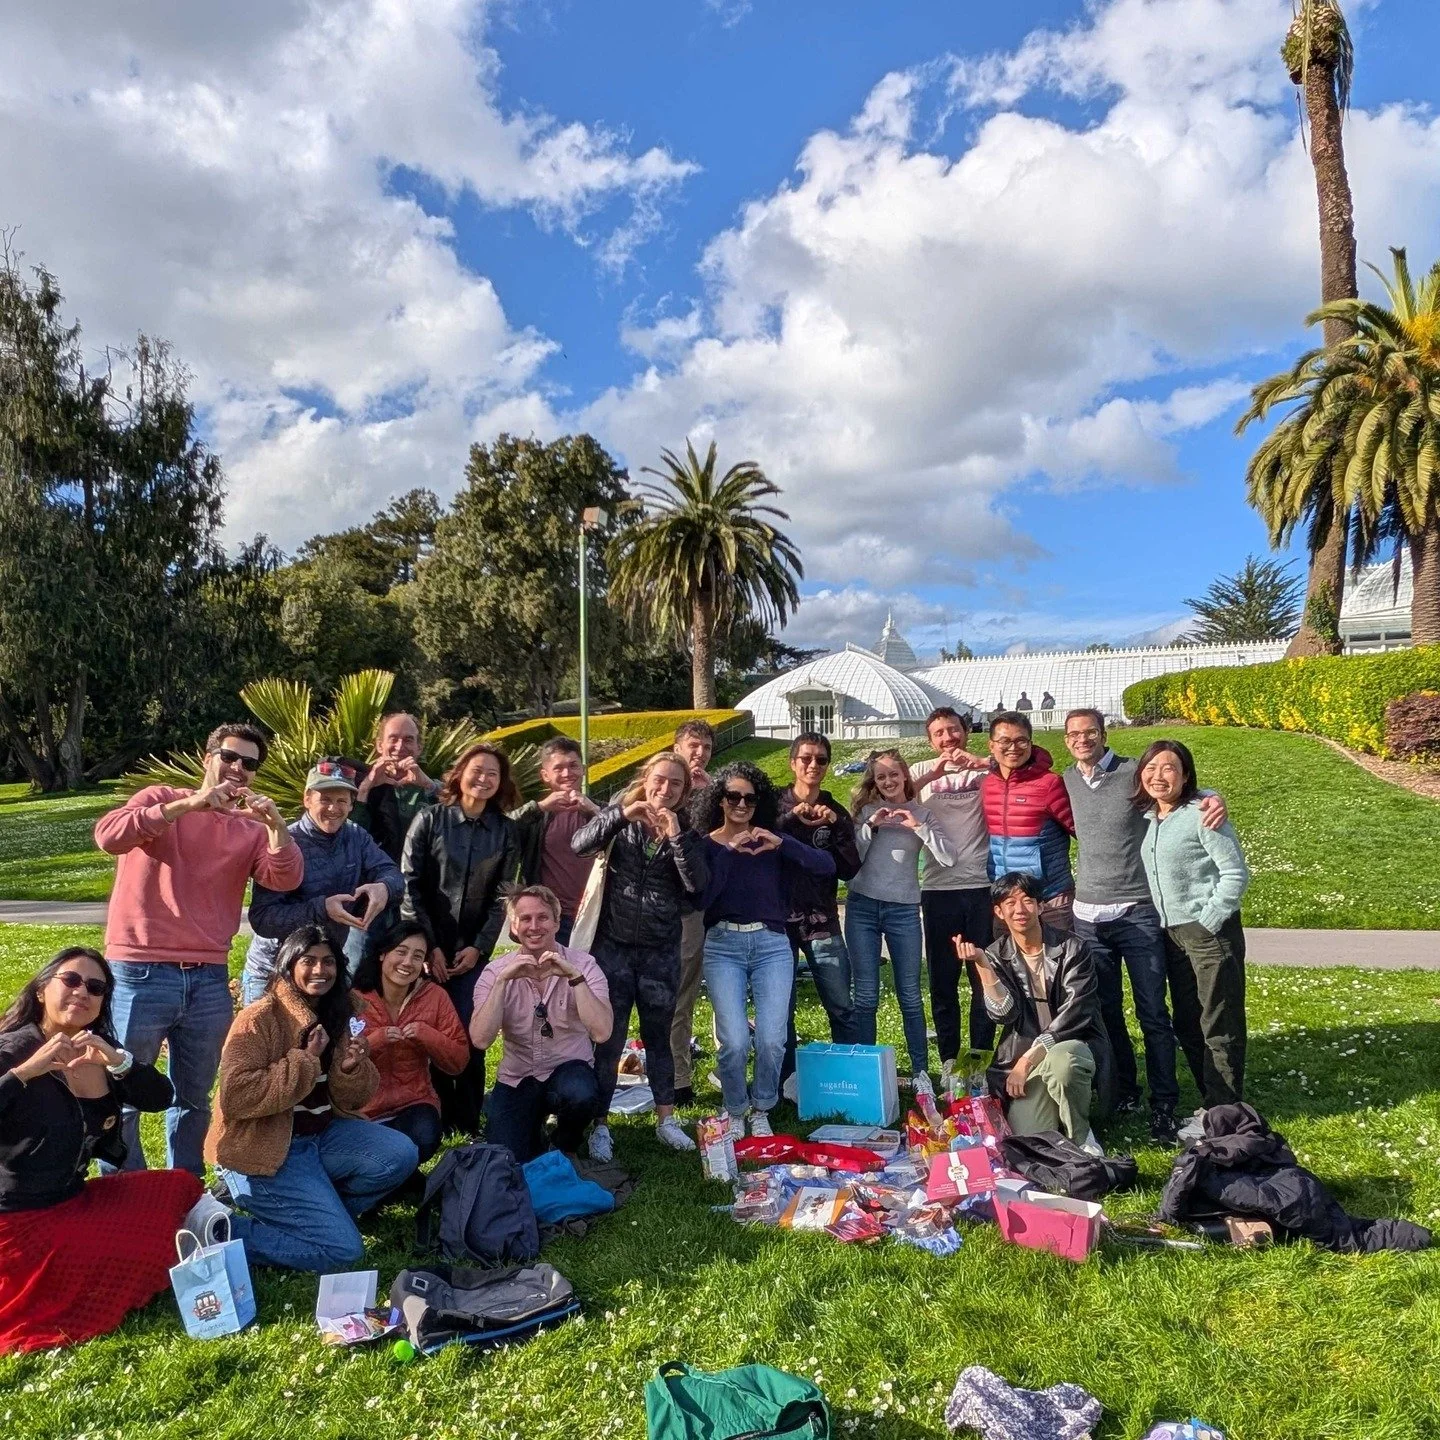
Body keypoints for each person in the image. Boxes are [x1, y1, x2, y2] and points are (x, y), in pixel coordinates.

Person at [93, 721, 304, 1177]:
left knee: (194, 1099)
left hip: (208, 978)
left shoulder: (248, 828)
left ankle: (183, 1189)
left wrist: (277, 828)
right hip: (139, 969)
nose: (238, 769)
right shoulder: (158, 799)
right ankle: (123, 1190)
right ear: (208, 758)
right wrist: (189, 805)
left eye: (249, 763)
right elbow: (109, 836)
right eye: (229, 757)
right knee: (123, 1090)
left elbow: (285, 878)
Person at [0, 948, 203, 1354]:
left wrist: (120, 1062)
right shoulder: (13, 1049)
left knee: (178, 1185)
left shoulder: (97, 1047)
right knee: (121, 1263)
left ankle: (206, 1242)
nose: (82, 993)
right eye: (70, 981)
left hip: (77, 1198)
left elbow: (161, 1098)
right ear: (42, 990)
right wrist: (25, 1073)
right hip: (17, 1219)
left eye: (96, 988)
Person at [207, 926, 419, 1272]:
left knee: (400, 1154)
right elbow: (237, 1097)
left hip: (319, 1138)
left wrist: (351, 1068)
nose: (320, 970)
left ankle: (320, 1219)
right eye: (309, 961)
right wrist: (305, 1060)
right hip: (265, 1152)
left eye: (329, 962)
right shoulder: (258, 1019)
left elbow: (352, 1101)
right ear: (288, 964)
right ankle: (223, 1231)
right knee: (343, 1252)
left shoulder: (340, 1014)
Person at [1063, 710, 1229, 1143]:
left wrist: (1213, 796)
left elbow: (1175, 787)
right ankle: (1123, 1091)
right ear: (1066, 740)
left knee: (1154, 1012)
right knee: (1106, 1011)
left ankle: (1164, 1103)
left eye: (1091, 732)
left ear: (1103, 735)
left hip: (1137, 912)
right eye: (1074, 734)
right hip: (1087, 914)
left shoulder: (1133, 771)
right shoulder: (1066, 778)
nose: (1083, 740)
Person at [572, 751, 709, 1158]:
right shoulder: (622, 814)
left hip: (660, 950)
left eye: (675, 784)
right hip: (612, 947)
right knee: (608, 1039)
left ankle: (666, 1119)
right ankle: (600, 1124)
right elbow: (580, 844)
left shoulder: (687, 830)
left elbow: (697, 887)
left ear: (684, 793)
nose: (664, 790)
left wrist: (677, 837)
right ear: (646, 778)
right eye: (659, 780)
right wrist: (622, 815)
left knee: (659, 1037)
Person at [697, 763, 836, 1136]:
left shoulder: (773, 839)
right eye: (733, 797)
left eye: (750, 798)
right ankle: (735, 1107)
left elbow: (826, 866)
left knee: (774, 1038)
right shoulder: (708, 845)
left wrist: (784, 842)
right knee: (735, 1041)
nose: (742, 804)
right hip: (723, 945)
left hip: (772, 944)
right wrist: (729, 852)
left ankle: (761, 1107)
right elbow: (702, 901)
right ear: (720, 801)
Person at [402, 741, 521, 1135]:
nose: (483, 779)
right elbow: (410, 886)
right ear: (460, 773)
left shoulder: (505, 831)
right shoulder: (430, 819)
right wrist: (427, 946)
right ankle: (437, 1113)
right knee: (431, 1034)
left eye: (493, 773)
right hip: (426, 948)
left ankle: (469, 1119)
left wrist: (480, 947)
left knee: (471, 1035)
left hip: (471, 952)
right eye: (477, 769)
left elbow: (504, 895)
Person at [1135, 740, 1251, 1119]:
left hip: (1208, 932)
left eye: (1169, 768)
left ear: (1185, 775)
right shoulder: (1155, 819)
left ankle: (1224, 1110)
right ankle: (1210, 1099)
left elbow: (1234, 872)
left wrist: (1212, 917)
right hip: (1173, 934)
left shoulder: (1202, 814)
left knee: (1219, 1019)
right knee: (1188, 1020)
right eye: (1150, 768)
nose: (1158, 776)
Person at [956, 873, 1110, 1147]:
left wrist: (1028, 1059)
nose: (1019, 910)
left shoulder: (1073, 947)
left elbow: (1077, 1012)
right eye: (1010, 903)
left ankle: (1082, 1138)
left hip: (1071, 1043)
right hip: (1024, 1055)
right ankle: (1057, 1112)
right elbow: (1004, 1014)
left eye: (1027, 901)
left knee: (1062, 1065)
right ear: (999, 912)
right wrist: (981, 964)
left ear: (1040, 906)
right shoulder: (995, 954)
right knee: (1028, 1137)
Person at [242, 758, 404, 1003]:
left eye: (341, 801)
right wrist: (322, 909)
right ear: (307, 799)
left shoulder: (356, 836)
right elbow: (263, 918)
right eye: (325, 799)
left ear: (351, 804)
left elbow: (392, 874)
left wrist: (384, 888)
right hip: (273, 971)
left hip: (324, 972)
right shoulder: (284, 841)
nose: (333, 808)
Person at [471, 885, 613, 1163]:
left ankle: (566, 1144)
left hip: (568, 1071)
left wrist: (576, 979)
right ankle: (526, 1124)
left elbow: (602, 1031)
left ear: (557, 922)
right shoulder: (495, 972)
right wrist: (502, 983)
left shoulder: (584, 965)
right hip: (518, 1076)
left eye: (543, 918)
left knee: (580, 1093)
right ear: (513, 926)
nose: (534, 926)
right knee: (507, 1159)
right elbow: (480, 1039)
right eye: (525, 919)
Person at [845, 749, 953, 1096]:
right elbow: (849, 859)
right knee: (865, 996)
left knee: (909, 995)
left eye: (894, 775)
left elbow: (948, 857)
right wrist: (870, 827)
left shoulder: (922, 813)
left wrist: (918, 826)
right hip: (862, 906)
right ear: (874, 782)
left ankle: (921, 1071)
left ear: (905, 776)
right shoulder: (865, 812)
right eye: (881, 777)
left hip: (904, 910)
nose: (889, 782)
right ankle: (864, 1069)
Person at [908, 708, 996, 1085]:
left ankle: (977, 1062)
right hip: (938, 889)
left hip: (981, 887)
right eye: (939, 734)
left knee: (983, 977)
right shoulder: (918, 773)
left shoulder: (984, 770)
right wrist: (933, 773)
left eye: (953, 731)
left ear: (966, 732)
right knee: (943, 981)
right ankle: (948, 1062)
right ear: (930, 740)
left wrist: (980, 762)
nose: (948, 739)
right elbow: (886, 793)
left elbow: (1028, 764)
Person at [352, 917, 469, 1168]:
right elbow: (338, 1061)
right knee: (368, 1155)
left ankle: (395, 1173)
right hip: (362, 1109)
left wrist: (427, 1035)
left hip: (414, 1102)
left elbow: (458, 1061)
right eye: (401, 952)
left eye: (417, 956)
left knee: (424, 1136)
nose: (407, 963)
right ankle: (397, 1178)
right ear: (383, 954)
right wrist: (376, 1041)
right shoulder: (355, 998)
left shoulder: (434, 996)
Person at [776, 732, 860, 1080]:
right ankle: (785, 1080)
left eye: (821, 760)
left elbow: (850, 868)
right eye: (806, 758)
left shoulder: (835, 811)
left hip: (821, 918)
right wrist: (791, 819)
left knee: (840, 1003)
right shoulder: (774, 805)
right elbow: (760, 844)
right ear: (793, 762)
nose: (813, 765)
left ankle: (848, 1076)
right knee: (782, 1009)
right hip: (777, 919)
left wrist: (836, 826)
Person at [981, 711, 1076, 932]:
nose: (1013, 747)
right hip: (1007, 899)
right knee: (1009, 965)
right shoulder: (987, 785)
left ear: (1031, 743)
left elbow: (1081, 830)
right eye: (1005, 741)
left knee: (1060, 963)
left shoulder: (1049, 784)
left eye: (1021, 740)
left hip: (1049, 898)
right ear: (991, 745)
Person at [511, 736, 599, 944]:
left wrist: (595, 811)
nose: (567, 773)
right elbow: (500, 830)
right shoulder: (536, 818)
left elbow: (623, 835)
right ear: (545, 775)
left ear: (584, 769)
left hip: (595, 917)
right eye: (558, 768)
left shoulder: (599, 811)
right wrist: (539, 807)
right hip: (550, 919)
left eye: (573, 766)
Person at [668, 719, 715, 1105]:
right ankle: (672, 1075)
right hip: (669, 910)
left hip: (704, 908)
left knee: (694, 995)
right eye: (693, 746)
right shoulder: (664, 787)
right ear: (678, 747)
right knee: (673, 997)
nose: (699, 755)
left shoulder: (715, 791)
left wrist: (711, 794)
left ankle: (690, 1076)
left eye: (706, 749)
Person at [353, 712, 443, 863]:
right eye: (393, 739)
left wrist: (428, 784)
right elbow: (348, 837)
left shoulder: (432, 790)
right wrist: (365, 788)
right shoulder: (357, 786)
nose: (400, 747)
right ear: (380, 745)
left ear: (419, 747)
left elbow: (464, 810)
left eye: (408, 740)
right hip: (372, 877)